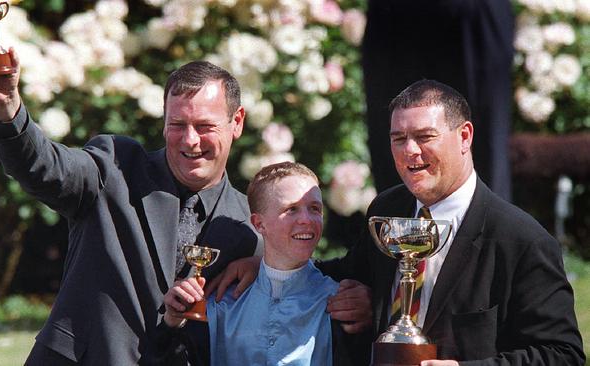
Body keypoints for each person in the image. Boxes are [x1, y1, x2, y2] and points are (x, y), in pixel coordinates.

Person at [0, 46, 372, 365]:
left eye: (205, 126)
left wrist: (354, 294)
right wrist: (7, 109)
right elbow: (45, 167)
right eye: (177, 124)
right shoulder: (115, 165)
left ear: (237, 122)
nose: (190, 140)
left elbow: (291, 277)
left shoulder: (249, 226)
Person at [319, 80, 586, 365]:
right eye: (398, 138)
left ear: (465, 137)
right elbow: (350, 276)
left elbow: (562, 355)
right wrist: (268, 260)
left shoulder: (522, 241)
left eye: (425, 136)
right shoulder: (387, 209)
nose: (409, 150)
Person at [157, 162, 354, 365]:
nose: (306, 219)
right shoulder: (221, 306)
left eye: (315, 208)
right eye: (291, 209)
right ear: (259, 223)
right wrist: (172, 323)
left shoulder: (341, 304)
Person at [362, 0, 514, 201]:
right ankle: (402, 231)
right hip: (396, 13)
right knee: (399, 139)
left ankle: (489, 232)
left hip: (472, 13)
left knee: (484, 145)